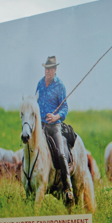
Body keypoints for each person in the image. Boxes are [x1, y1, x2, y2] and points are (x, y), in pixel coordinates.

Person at [36, 55, 74, 202]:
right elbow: (36, 103)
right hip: (40, 127)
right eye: (46, 69)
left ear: (55, 69)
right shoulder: (40, 84)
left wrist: (56, 117)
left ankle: (67, 188)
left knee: (60, 153)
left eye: (50, 69)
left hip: (54, 127)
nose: (47, 72)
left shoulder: (60, 86)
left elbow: (65, 108)